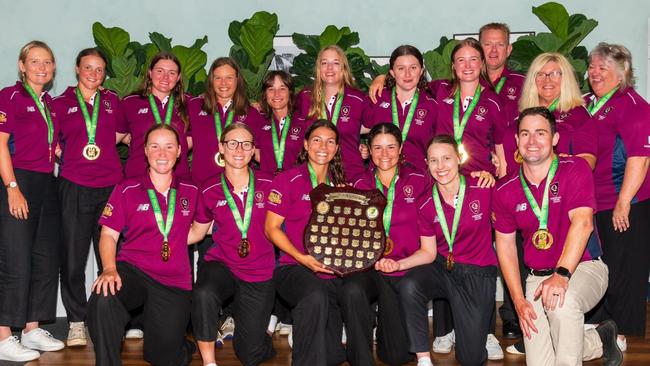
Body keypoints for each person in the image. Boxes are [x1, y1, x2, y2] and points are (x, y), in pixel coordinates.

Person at [493, 106, 621, 366]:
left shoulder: (575, 168)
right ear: (516, 140)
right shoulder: (504, 188)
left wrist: (561, 276)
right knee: (543, 358)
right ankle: (600, 339)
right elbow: (505, 245)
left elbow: (583, 224)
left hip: (583, 268)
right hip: (536, 277)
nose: (532, 141)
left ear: (555, 139)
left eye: (540, 133)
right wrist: (518, 300)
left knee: (561, 306)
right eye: (525, 134)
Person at [87, 124, 206, 366]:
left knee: (162, 357)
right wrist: (109, 269)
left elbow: (199, 230)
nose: (162, 153)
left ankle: (179, 345)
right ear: (145, 151)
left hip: (173, 281)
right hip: (134, 271)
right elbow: (108, 235)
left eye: (169, 147)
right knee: (103, 297)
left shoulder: (192, 190)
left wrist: (172, 237)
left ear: (179, 151)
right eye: (155, 146)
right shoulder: (127, 189)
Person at [390, 134, 496, 366]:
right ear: (427, 164)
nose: (440, 166)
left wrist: (492, 174)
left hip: (477, 272)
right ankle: (423, 359)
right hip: (443, 268)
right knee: (409, 285)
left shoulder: (483, 186)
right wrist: (399, 264)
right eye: (434, 160)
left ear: (459, 158)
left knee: (471, 359)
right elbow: (428, 252)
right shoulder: (426, 202)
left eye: (446, 158)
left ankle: (474, 333)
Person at [51, 47, 127, 347]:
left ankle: (111, 318)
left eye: (99, 69)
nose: (94, 74)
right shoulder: (60, 103)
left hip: (110, 188)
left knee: (112, 257)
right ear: (77, 69)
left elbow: (122, 135)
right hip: (74, 186)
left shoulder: (112, 101)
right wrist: (69, 157)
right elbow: (51, 141)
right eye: (88, 68)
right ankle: (76, 321)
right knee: (72, 258)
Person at [189, 123, 276, 366]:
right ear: (221, 148)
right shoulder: (208, 188)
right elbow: (197, 232)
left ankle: (262, 333)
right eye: (232, 143)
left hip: (259, 271)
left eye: (246, 144)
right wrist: (157, 238)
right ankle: (209, 362)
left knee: (250, 354)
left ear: (253, 151)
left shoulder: (270, 185)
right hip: (222, 264)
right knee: (203, 293)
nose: (239, 149)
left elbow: (286, 225)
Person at [0, 40, 64, 362]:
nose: (42, 67)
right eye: (35, 61)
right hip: (18, 181)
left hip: (45, 182)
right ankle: (3, 335)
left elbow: (44, 140)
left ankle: (31, 328)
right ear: (22, 66)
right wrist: (12, 187)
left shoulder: (48, 102)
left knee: (43, 258)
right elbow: (0, 145)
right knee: (15, 259)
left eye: (48, 62)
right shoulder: (8, 97)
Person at [341, 123, 426, 365]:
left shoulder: (419, 180)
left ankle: (384, 329)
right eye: (377, 147)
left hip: (404, 267)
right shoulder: (358, 184)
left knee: (396, 356)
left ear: (400, 149)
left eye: (391, 147)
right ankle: (361, 358)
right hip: (369, 266)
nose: (384, 154)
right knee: (351, 289)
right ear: (368, 150)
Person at [265, 119, 347, 366]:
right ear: (305, 144)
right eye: (317, 140)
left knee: (332, 355)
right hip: (293, 267)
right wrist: (302, 258)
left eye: (330, 141)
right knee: (314, 294)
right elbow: (271, 229)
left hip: (332, 273)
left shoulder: (341, 185)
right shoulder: (288, 180)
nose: (323, 146)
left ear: (336, 149)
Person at [586, 43, 650, 352]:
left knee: (623, 268)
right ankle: (599, 327)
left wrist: (624, 201)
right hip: (592, 200)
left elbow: (640, 158)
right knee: (600, 266)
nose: (594, 73)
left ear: (621, 73)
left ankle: (621, 332)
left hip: (623, 202)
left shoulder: (634, 105)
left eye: (603, 68)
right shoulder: (587, 102)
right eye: (592, 66)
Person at [189, 57, 266, 187]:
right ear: (211, 81)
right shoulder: (194, 106)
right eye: (218, 78)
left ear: (237, 80)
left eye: (229, 78)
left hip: (239, 189)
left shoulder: (252, 114)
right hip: (201, 187)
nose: (223, 83)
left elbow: (261, 154)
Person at [295, 45, 368, 178]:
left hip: (350, 174)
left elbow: (372, 126)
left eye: (335, 63)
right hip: (313, 175)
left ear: (343, 68)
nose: (329, 68)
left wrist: (366, 147)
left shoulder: (358, 98)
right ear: (318, 68)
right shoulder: (305, 96)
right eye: (324, 63)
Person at [363, 45, 437, 172]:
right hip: (379, 178)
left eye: (413, 68)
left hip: (418, 179)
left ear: (421, 71)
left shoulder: (432, 105)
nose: (407, 74)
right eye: (401, 68)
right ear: (392, 72)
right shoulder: (378, 97)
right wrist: (359, 147)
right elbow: (350, 128)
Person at [118, 52, 191, 180]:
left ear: (179, 77)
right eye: (160, 71)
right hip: (137, 178)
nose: (165, 77)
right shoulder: (130, 102)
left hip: (178, 180)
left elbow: (194, 139)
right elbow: (113, 137)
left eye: (172, 73)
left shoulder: (190, 104)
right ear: (150, 73)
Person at [256, 70, 306, 174]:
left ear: (290, 92)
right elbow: (255, 151)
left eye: (282, 89)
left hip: (296, 184)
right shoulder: (259, 120)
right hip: (268, 185)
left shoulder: (302, 120)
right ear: (265, 94)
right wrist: (268, 165)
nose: (276, 94)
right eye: (271, 89)